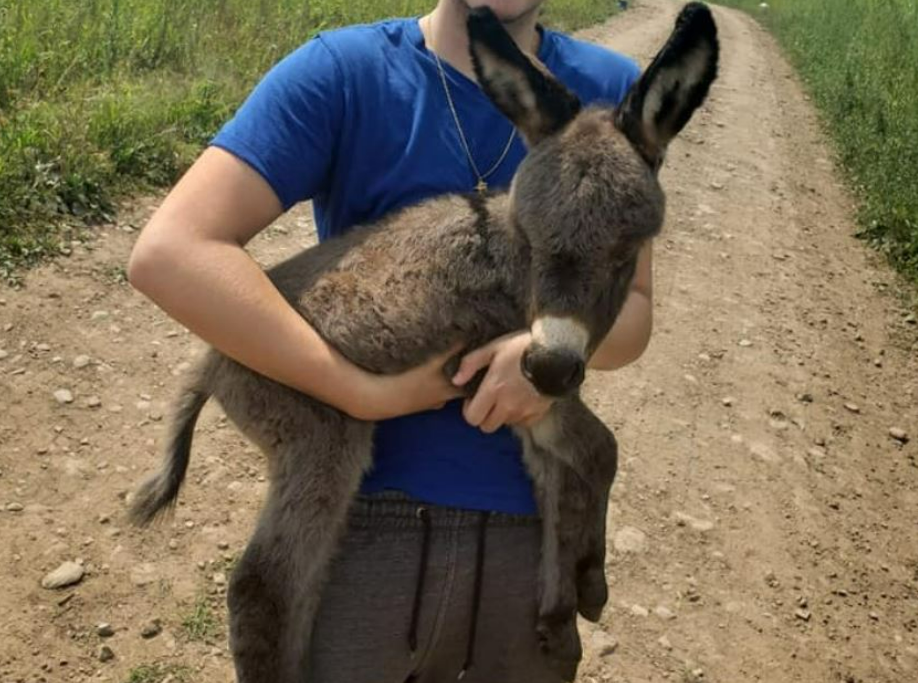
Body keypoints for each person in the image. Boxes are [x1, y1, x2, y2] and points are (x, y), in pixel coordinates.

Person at [127, 1, 653, 681]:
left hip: (525, 544)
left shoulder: (612, 93)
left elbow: (631, 304)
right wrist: (359, 393)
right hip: (367, 534)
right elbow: (169, 252)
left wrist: (546, 358)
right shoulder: (346, 72)